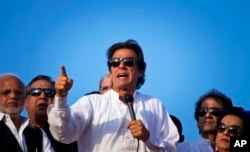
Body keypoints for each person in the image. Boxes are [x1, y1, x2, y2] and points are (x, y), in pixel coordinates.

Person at [48, 39, 179, 151]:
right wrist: (61, 97)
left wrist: (148, 138)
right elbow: (63, 134)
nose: (121, 66)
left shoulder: (154, 106)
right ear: (111, 70)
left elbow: (172, 148)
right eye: (115, 62)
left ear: (140, 71)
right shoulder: (92, 103)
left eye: (128, 62)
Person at [0, 73, 54, 152]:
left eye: (18, 93)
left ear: (24, 99)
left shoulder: (38, 134)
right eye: (6, 92)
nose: (13, 96)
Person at [25, 75, 78, 152]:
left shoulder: (69, 136)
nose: (42, 96)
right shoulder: (15, 134)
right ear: (25, 102)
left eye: (49, 93)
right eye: (36, 92)